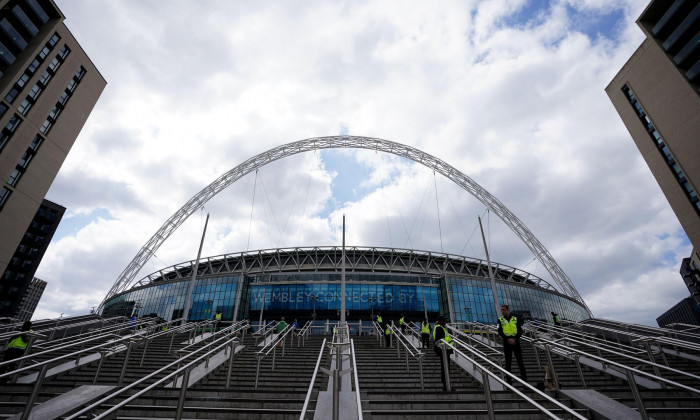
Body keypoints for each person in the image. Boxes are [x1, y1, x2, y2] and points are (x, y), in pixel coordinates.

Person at [498, 305, 527, 385]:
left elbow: (520, 331)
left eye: (504, 310)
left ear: (508, 310)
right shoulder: (500, 320)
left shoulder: (515, 319)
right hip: (507, 342)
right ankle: (509, 383)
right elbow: (500, 332)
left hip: (516, 342)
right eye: (501, 310)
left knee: (520, 362)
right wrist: (507, 339)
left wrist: (515, 339)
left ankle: (525, 382)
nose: (502, 311)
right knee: (508, 363)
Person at [433, 316, 453, 391]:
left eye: (445, 320)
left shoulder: (442, 328)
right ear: (439, 321)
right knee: (445, 367)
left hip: (446, 350)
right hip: (444, 350)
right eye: (443, 320)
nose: (445, 321)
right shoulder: (439, 328)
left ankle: (446, 385)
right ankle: (446, 385)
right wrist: (436, 350)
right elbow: (437, 340)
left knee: (446, 367)